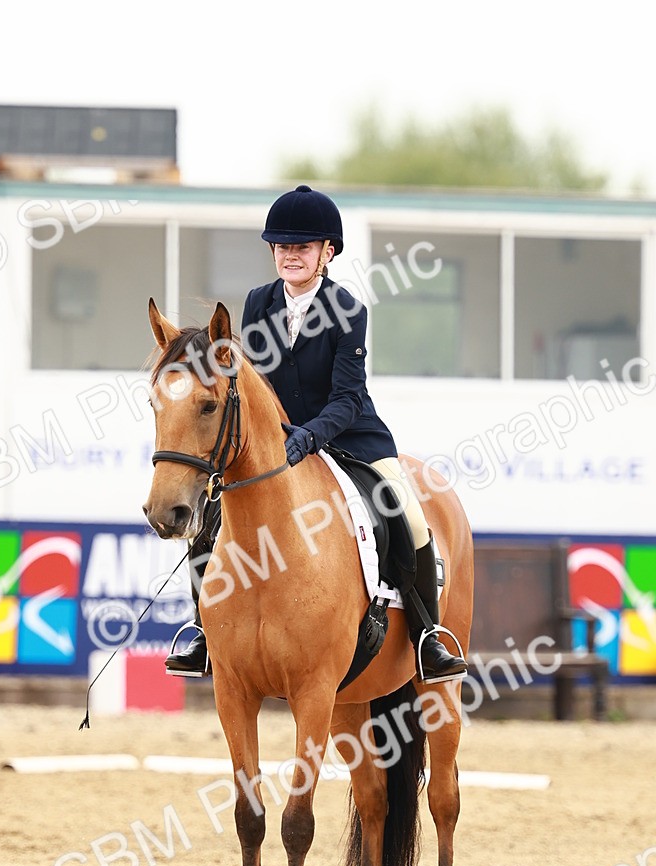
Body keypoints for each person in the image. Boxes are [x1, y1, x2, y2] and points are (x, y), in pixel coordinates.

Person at [165, 184, 467, 683]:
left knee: (408, 516)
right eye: (283, 247)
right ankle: (202, 630)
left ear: (327, 252)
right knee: (212, 519)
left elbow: (347, 398)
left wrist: (306, 438)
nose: (291, 256)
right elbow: (253, 384)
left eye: (302, 247)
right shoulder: (259, 302)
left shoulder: (348, 308)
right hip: (276, 442)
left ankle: (427, 636)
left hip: (350, 435)